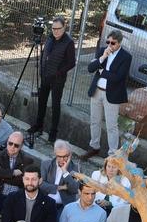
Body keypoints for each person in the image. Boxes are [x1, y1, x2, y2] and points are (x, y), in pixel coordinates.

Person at [83, 31, 133, 159]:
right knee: (94, 121)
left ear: (119, 43)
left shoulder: (126, 57)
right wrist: (103, 57)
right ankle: (94, 147)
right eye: (108, 42)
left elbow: (118, 78)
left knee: (111, 126)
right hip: (97, 91)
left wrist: (102, 72)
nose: (110, 45)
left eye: (113, 43)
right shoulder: (102, 51)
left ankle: (112, 155)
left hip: (112, 94)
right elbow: (90, 68)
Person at [30, 15, 76, 143]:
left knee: (55, 105)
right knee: (42, 101)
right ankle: (38, 125)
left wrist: (58, 72)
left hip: (57, 80)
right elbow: (44, 53)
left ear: (64, 28)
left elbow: (72, 63)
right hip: (45, 76)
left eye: (58, 29)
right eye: (53, 28)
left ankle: (53, 133)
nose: (55, 31)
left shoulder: (69, 42)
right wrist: (42, 68)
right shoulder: (50, 38)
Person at [0, 131, 37, 198]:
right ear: (7, 142)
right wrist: (13, 173)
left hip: (15, 196)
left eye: (16, 145)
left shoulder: (27, 161)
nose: (12, 147)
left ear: (21, 146)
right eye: (10, 143)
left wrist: (1, 173)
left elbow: (23, 181)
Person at [39, 140, 80, 207]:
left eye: (65, 156)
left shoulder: (76, 168)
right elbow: (41, 184)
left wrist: (65, 172)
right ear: (55, 153)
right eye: (59, 156)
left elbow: (74, 189)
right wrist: (60, 187)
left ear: (70, 155)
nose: (62, 159)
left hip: (64, 206)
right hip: (46, 202)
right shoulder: (46, 164)